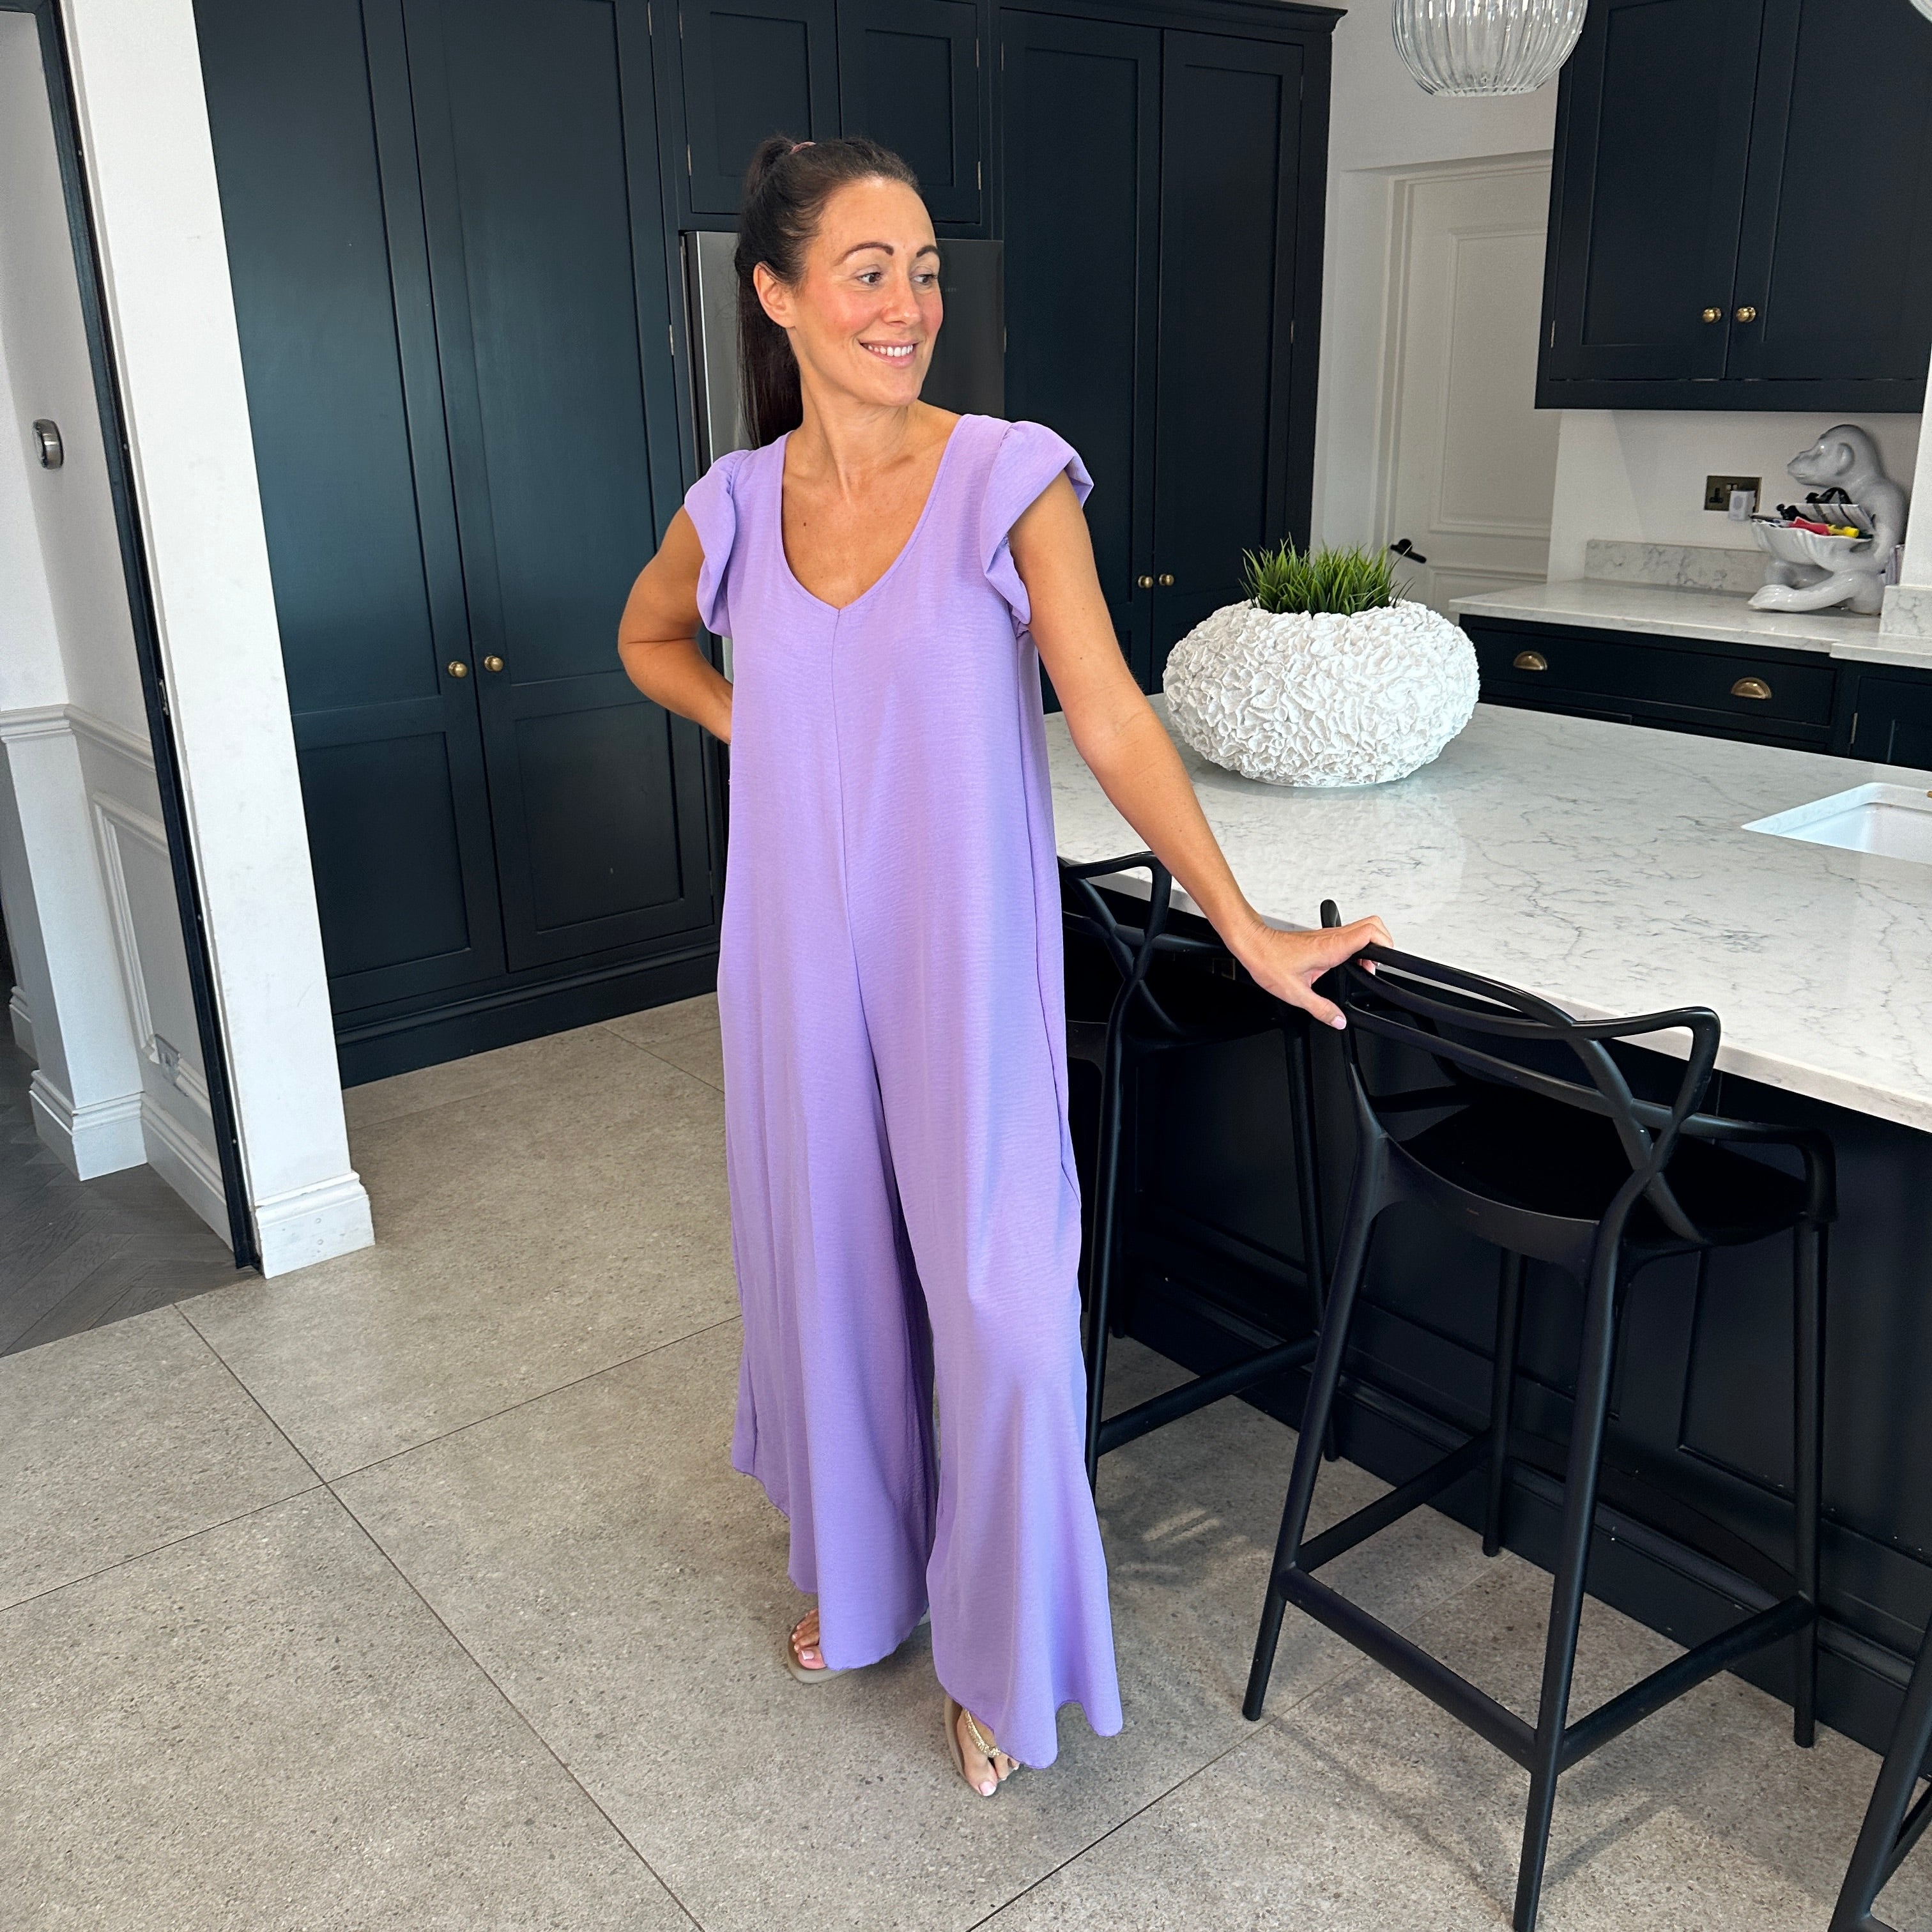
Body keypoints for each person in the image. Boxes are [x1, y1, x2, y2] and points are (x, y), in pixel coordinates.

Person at [617, 134, 1390, 1799]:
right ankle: (861, 1574)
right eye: (868, 272)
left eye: (924, 273)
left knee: (1008, 1311)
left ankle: (999, 1649)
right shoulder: (734, 504)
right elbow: (647, 639)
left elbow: (1109, 715)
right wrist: (765, 732)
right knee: (827, 1269)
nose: (908, 305)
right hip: (789, 948)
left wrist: (1241, 921)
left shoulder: (1005, 477)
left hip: (961, 946)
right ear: (778, 294)